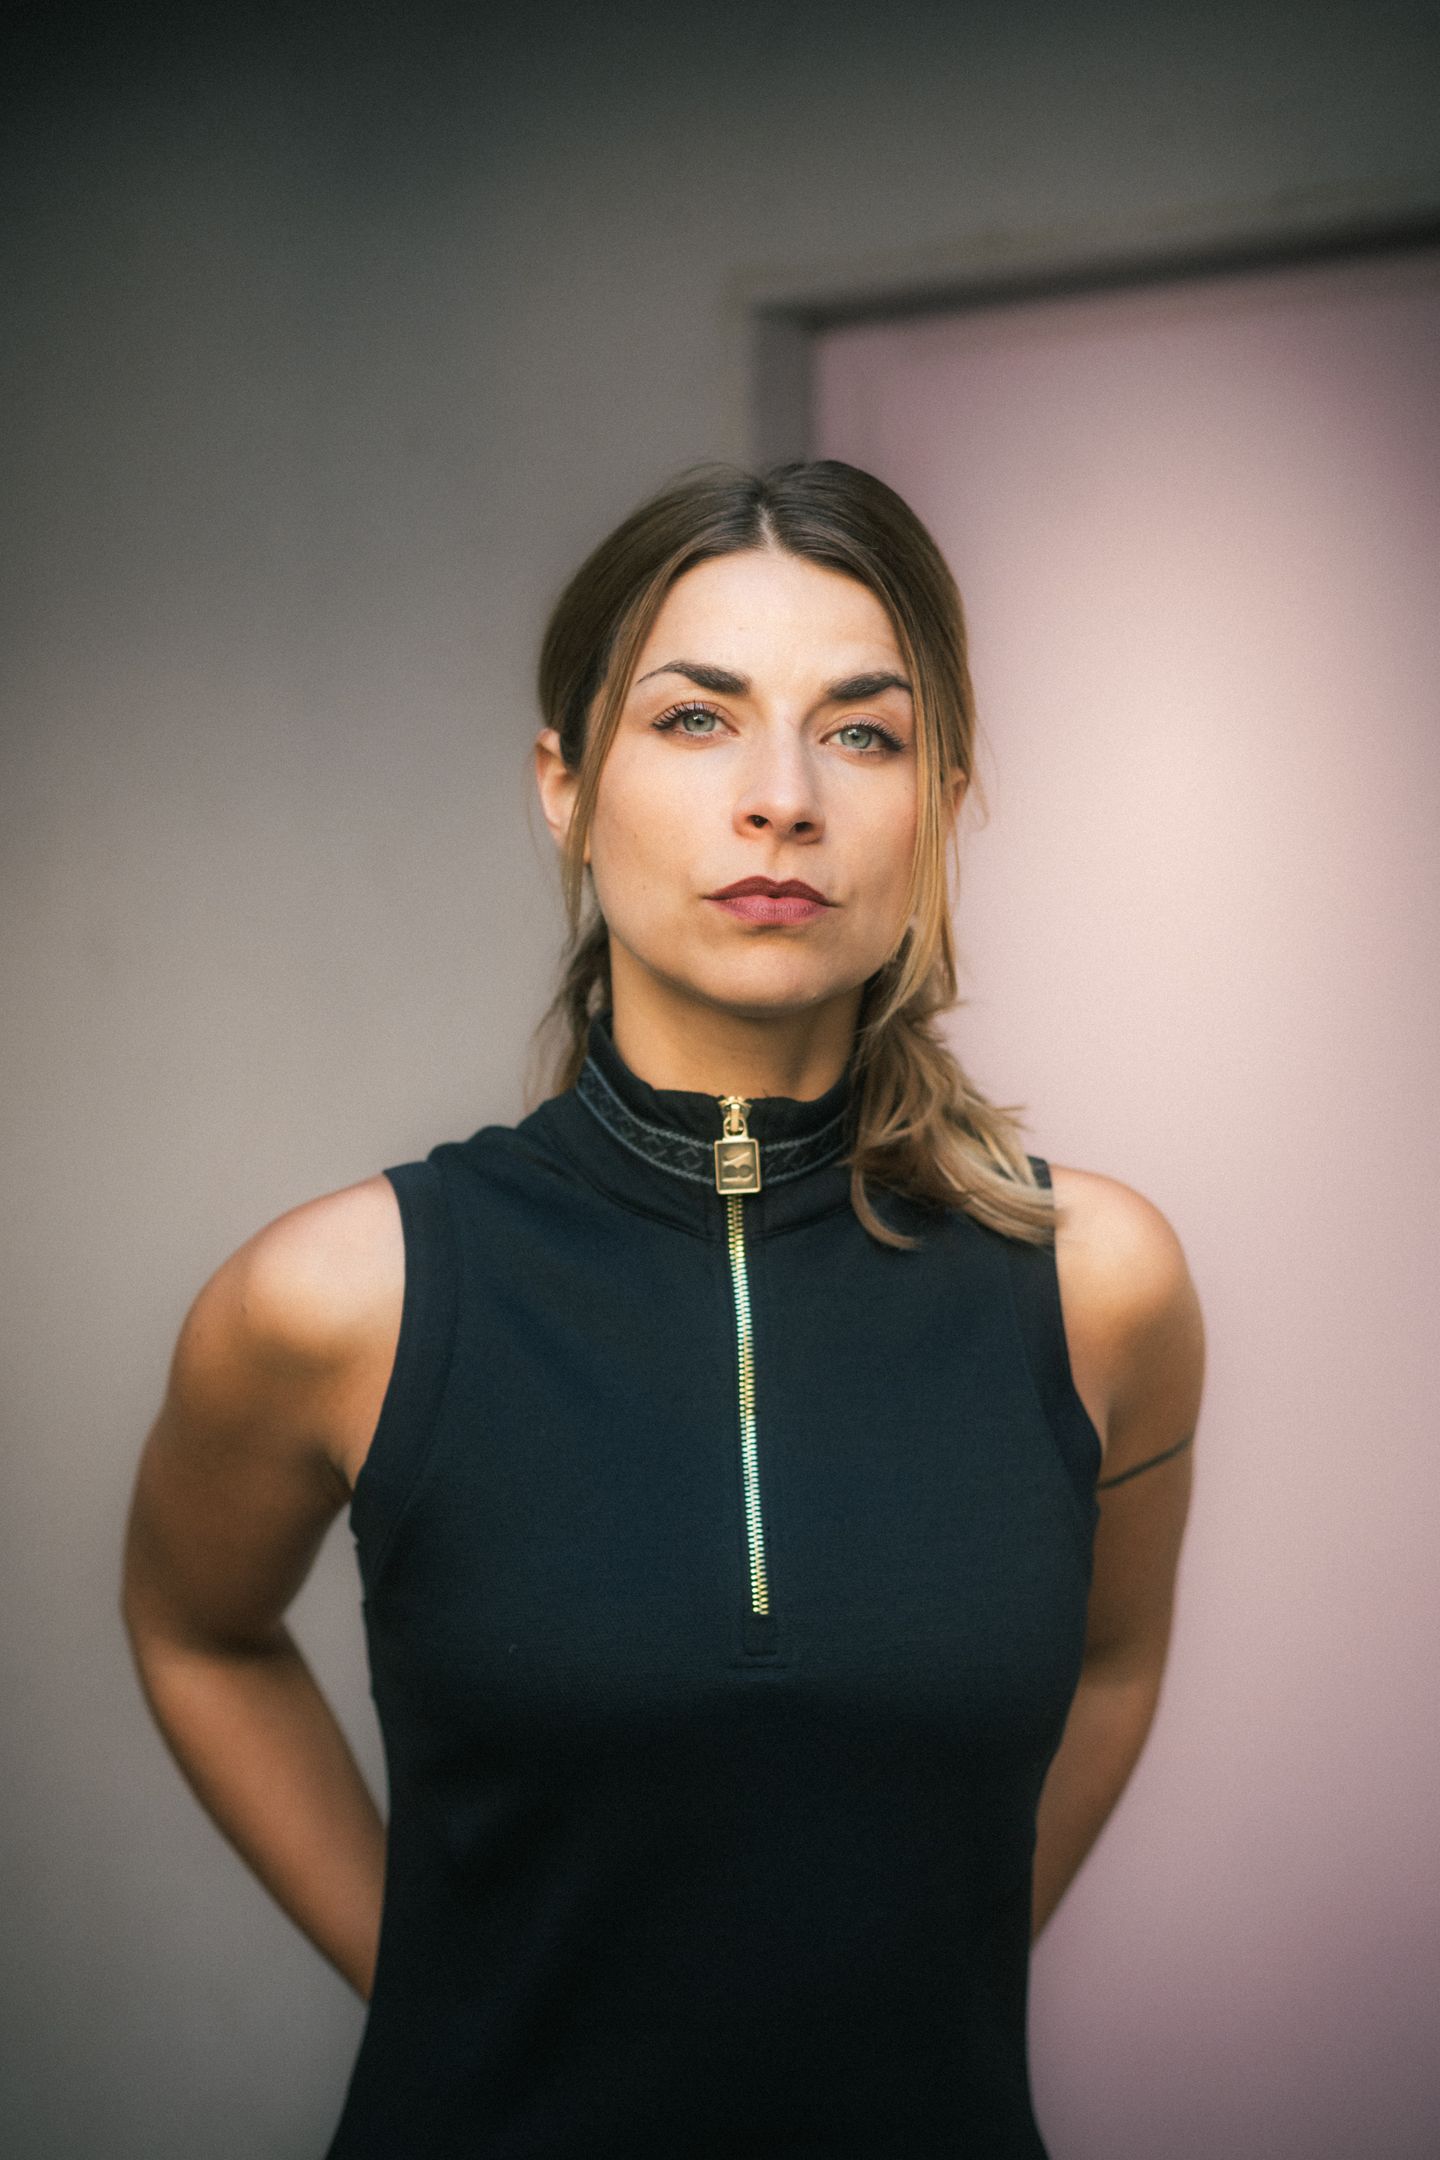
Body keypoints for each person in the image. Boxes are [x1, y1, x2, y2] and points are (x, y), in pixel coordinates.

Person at [121, 459, 1204, 2158]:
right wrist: (434, 1984)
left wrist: (915, 1997)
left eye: (863, 734)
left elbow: (1118, 1666)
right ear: (564, 785)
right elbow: (196, 1631)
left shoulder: (1095, 1286)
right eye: (696, 720)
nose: (781, 799)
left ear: (940, 804)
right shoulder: (341, 1301)